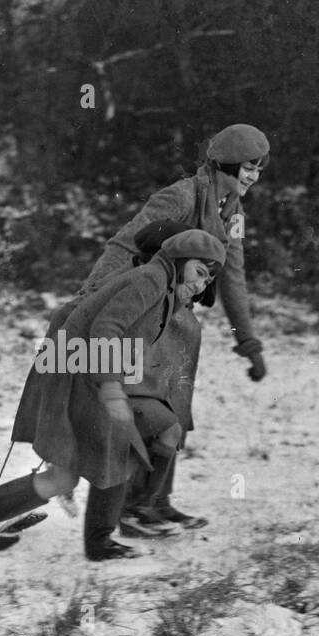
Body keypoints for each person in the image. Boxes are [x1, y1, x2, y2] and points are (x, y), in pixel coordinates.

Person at [0, 230, 227, 572]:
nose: (201, 284)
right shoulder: (150, 279)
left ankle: (101, 535)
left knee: (99, 460)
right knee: (95, 459)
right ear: (181, 260)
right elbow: (105, 329)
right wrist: (111, 389)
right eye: (199, 272)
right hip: (78, 369)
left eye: (208, 278)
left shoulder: (165, 287)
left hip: (90, 368)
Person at [77, 123, 271, 537]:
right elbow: (125, 244)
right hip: (141, 311)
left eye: (259, 169)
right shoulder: (180, 196)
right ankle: (129, 508)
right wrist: (92, 298)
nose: (254, 177)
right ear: (228, 165)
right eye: (249, 168)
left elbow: (232, 275)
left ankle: (155, 502)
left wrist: (248, 342)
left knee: (175, 406)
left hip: (177, 320)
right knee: (147, 407)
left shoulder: (233, 212)